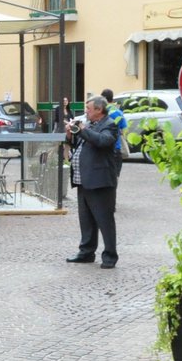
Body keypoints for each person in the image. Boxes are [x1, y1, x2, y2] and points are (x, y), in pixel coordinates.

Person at [67, 94, 120, 268]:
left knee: (104, 220)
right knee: (86, 219)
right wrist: (70, 134)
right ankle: (86, 252)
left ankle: (110, 256)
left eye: (88, 109)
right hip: (83, 179)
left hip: (100, 181)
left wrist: (82, 129)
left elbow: (102, 141)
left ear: (99, 110)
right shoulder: (90, 124)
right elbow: (79, 143)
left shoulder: (109, 125)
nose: (86, 112)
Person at [100, 88, 128, 170]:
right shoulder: (118, 112)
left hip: (103, 148)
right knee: (115, 175)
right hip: (116, 147)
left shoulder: (101, 111)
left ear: (104, 98)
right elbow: (124, 130)